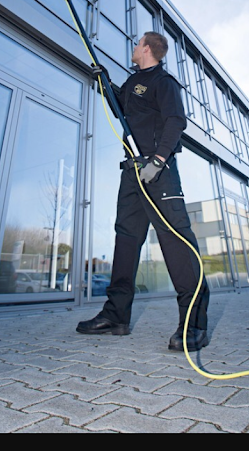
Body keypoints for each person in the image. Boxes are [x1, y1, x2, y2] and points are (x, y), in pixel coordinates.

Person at [77, 31, 210, 352]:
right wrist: (103, 81)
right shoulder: (135, 82)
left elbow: (176, 121)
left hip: (157, 171)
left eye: (137, 44)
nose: (133, 48)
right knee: (126, 240)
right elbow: (119, 106)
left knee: (176, 240)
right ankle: (116, 316)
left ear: (147, 48)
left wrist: (160, 160)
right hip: (132, 171)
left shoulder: (163, 82)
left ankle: (194, 322)